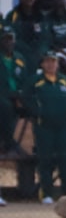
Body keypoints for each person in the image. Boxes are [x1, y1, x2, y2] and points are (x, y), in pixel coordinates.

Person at [28, 51, 66, 203]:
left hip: (64, 125)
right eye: (48, 62)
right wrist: (38, 111)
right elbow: (26, 97)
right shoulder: (36, 81)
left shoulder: (65, 81)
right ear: (43, 64)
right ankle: (47, 193)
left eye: (54, 61)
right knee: (46, 159)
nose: (51, 65)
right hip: (44, 125)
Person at [0, 25, 28, 156]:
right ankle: (9, 144)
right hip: (3, 96)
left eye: (10, 39)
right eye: (5, 39)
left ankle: (38, 148)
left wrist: (21, 95)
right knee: (6, 106)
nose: (8, 42)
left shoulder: (20, 58)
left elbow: (25, 80)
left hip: (18, 95)